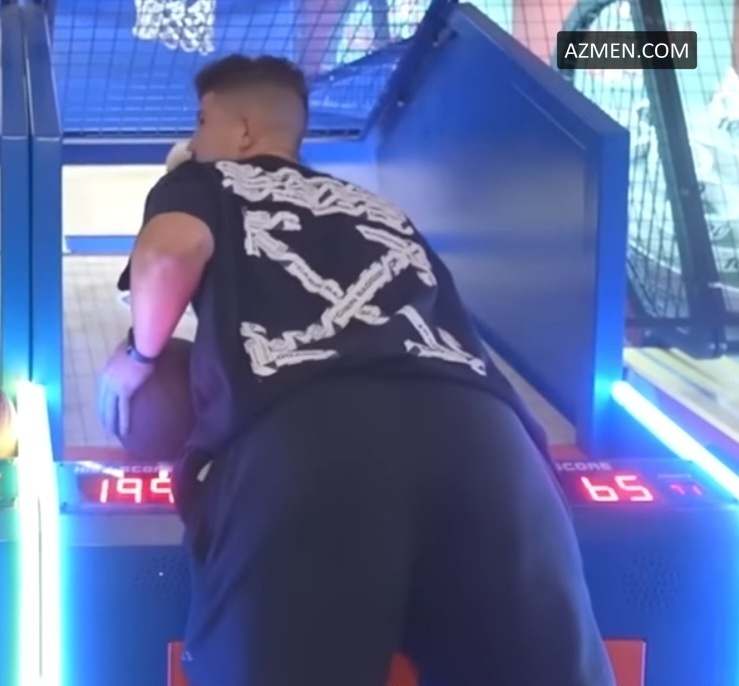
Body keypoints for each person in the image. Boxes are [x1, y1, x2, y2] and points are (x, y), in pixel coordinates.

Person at [98, 54, 615, 686]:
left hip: (312, 436)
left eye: (202, 121)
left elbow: (168, 254)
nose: (193, 137)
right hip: (493, 443)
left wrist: (138, 357)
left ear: (243, 131)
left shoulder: (205, 180)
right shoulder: (380, 209)